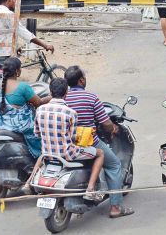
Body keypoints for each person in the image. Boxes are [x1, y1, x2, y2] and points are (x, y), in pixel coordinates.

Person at [64, 66, 134, 219]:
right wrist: (113, 128)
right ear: (81, 80)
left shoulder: (63, 97)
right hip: (88, 143)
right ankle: (116, 207)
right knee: (114, 164)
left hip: (66, 143)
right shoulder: (91, 97)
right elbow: (105, 123)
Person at [35, 78, 105, 200]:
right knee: (100, 154)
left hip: (47, 154)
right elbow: (72, 138)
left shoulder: (40, 109)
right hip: (67, 154)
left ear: (50, 93)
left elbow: (36, 133)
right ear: (66, 93)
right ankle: (90, 188)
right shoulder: (71, 113)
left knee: (39, 157)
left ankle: (28, 182)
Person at [0, 57, 50, 157]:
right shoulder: (23, 87)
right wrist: (53, 96)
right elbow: (39, 103)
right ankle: (41, 159)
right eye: (20, 69)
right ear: (16, 71)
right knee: (43, 135)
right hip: (19, 127)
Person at [0, 0, 54, 69]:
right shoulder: (8, 14)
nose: (16, 2)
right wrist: (45, 45)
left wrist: (16, 46)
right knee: (8, 80)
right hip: (3, 56)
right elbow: (23, 32)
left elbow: (3, 33)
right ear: (9, 0)